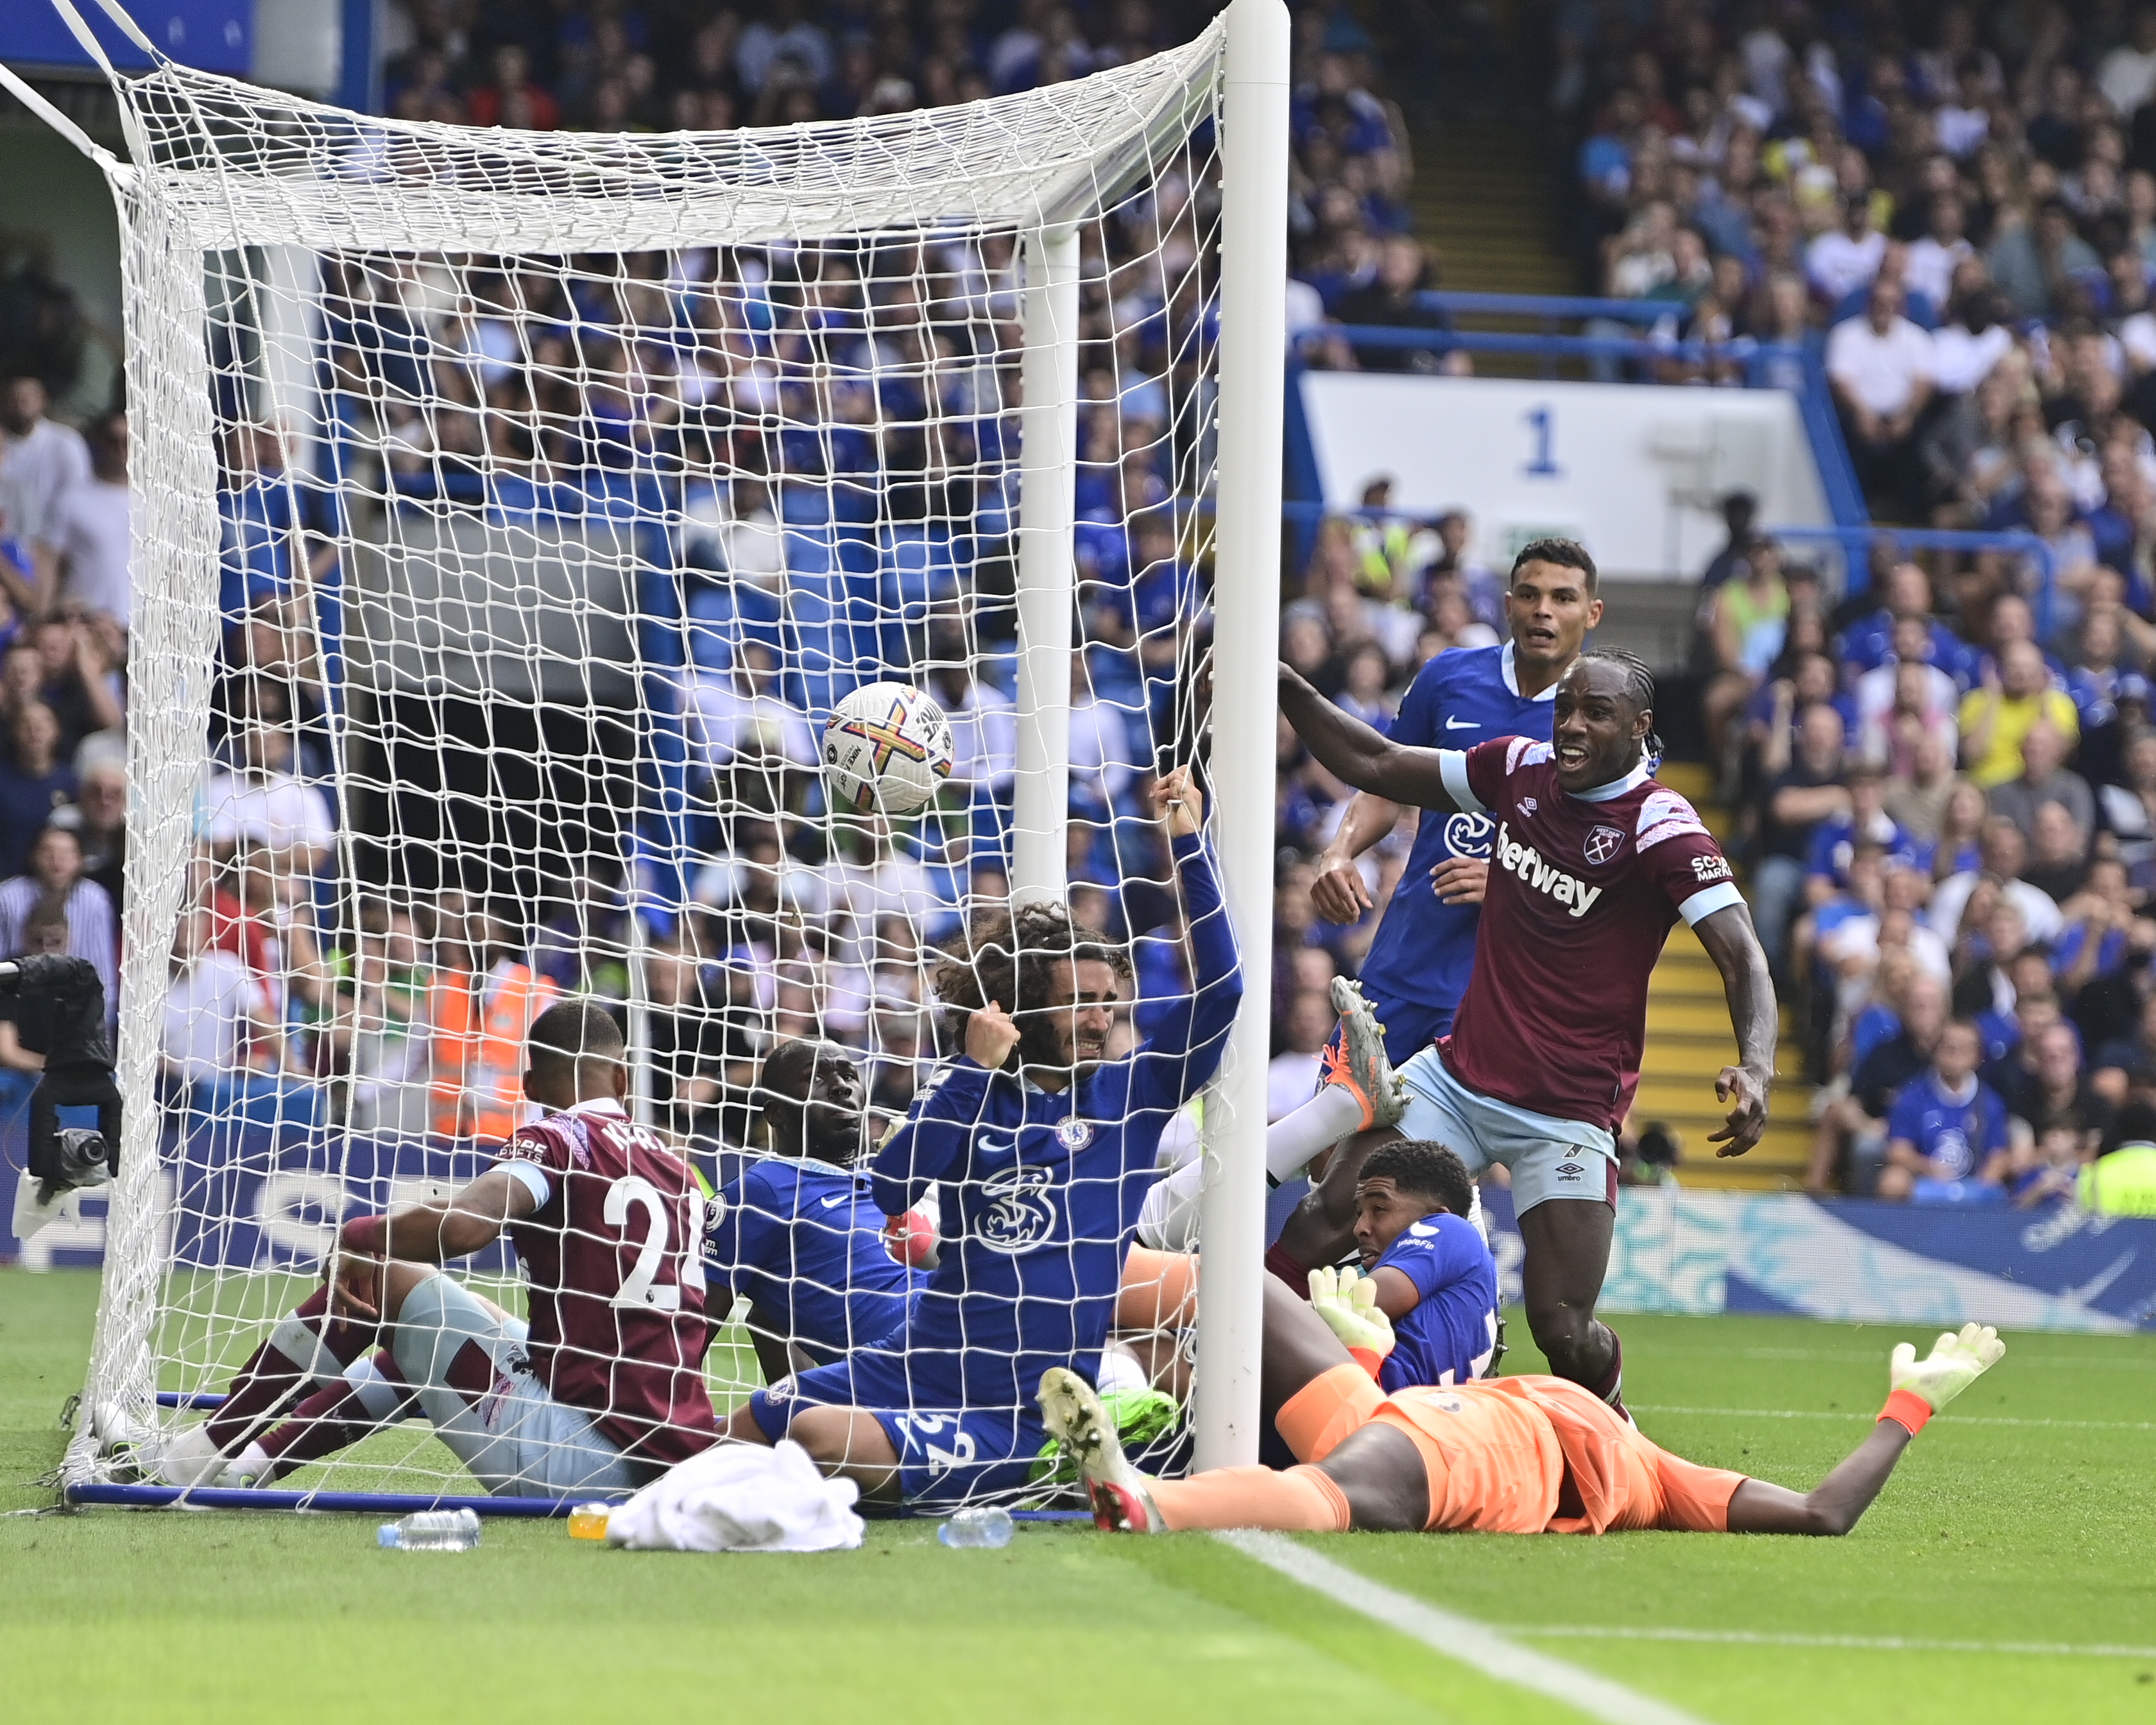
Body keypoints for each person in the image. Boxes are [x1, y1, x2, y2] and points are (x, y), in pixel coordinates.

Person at [1272, 650, 1775, 1413]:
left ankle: (1615, 1430)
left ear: (1639, 728)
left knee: (1563, 1327)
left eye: (1594, 713)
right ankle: (1224, 1378)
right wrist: (1283, 684)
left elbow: (1742, 956)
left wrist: (1758, 1067)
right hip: (1458, 1078)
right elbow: (1375, 760)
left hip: (1566, 1115)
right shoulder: (1516, 768)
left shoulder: (1661, 826)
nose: (1571, 725)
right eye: (1564, 707)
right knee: (1322, 1224)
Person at [723, 768, 1239, 1508]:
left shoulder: (1134, 1095)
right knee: (762, 1418)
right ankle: (641, 1506)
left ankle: (1056, 1462)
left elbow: (1224, 991)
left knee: (818, 1439)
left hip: (1017, 1414)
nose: (1100, 1019)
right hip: (919, 1360)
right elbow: (892, 1191)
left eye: (1107, 1003)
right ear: (1028, 1007)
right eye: (1078, 1004)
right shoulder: (971, 1091)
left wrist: (1188, 841)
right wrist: (970, 1069)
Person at [156, 1001, 719, 1494]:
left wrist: (359, 1236)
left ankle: (200, 1451)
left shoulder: (557, 1139)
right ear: (623, 1081)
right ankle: (253, 1464)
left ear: (530, 1088)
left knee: (389, 1279)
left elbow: (463, 1229)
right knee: (449, 1322)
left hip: (572, 1459)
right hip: (667, 1462)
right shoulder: (679, 1169)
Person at [1036, 1289, 2005, 1538]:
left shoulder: (1660, 1473)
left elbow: (1820, 1514)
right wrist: (1363, 1348)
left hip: (1473, 1460)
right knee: (1241, 1286)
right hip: (1410, 1414)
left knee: (1335, 1490)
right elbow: (1388, 1410)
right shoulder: (1545, 1394)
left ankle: (1153, 1499)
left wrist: (1907, 1408)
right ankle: (1013, 1277)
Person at [1263, 542, 1605, 1200]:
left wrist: (1508, 880)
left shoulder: (1606, 717)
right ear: (1507, 605)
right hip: (1403, 960)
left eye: (1562, 598)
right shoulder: (1448, 677)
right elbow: (1385, 782)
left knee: (1422, 1173)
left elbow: (1608, 867)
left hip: (1496, 987)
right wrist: (1339, 853)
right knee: (1326, 1151)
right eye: (1530, 594)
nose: (1543, 610)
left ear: (1591, 613)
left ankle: (1448, 1297)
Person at [708, 1038, 928, 1384]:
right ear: (776, 1112)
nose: (841, 1087)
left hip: (967, 1325)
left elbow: (768, 1320)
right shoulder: (764, 1189)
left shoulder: (885, 1183)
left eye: (848, 1075)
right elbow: (698, 1323)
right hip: (915, 1363)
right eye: (817, 1079)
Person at [1343, 1138, 1500, 1392]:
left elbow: (1354, 1306)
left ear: (1435, 1216)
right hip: (1393, 1412)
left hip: (1370, 1400)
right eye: (1360, 1213)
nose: (1360, 1228)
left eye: (1379, 1209)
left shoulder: (1452, 1230)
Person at [1877, 1018, 2011, 1202]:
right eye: (1948, 1046)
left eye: (1963, 1048)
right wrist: (1928, 1168)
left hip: (1973, 1184)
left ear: (1977, 1056)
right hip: (1925, 1180)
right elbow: (1898, 1150)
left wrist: (1983, 1185)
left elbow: (1999, 1156)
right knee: (1893, 1182)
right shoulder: (1912, 1096)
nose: (1955, 1053)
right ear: (1936, 1049)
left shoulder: (1991, 1102)